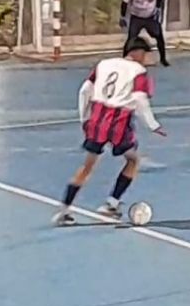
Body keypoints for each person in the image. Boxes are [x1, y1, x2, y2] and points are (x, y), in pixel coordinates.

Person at [52, 37, 166, 226]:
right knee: (133, 160)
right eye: (146, 54)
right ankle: (111, 205)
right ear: (137, 53)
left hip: (97, 119)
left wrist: (85, 119)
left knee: (87, 166)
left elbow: (84, 91)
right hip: (119, 122)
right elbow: (139, 99)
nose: (146, 59)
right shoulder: (139, 71)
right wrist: (153, 125)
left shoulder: (103, 64)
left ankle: (64, 210)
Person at [121, 0, 169, 66]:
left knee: (159, 37)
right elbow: (125, 2)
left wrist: (158, 11)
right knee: (131, 38)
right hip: (137, 18)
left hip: (150, 17)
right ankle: (124, 59)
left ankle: (163, 59)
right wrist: (123, 16)